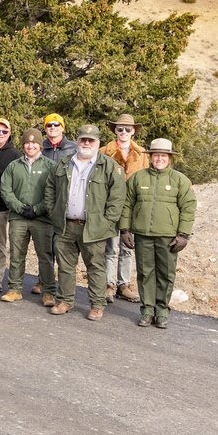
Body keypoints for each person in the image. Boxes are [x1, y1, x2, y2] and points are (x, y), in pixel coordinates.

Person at [44, 124, 126, 320]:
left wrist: (106, 223)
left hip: (93, 228)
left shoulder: (110, 167)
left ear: (98, 143)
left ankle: (97, 305)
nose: (86, 143)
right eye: (83, 140)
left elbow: (117, 199)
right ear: (77, 141)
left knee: (95, 267)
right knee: (65, 266)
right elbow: (50, 189)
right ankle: (65, 300)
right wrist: (52, 211)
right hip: (65, 226)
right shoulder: (64, 163)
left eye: (91, 140)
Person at [120, 138, 196, 329]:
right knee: (145, 274)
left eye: (163, 155)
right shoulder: (138, 178)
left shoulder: (180, 180)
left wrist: (184, 235)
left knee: (165, 274)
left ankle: (162, 311)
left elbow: (188, 208)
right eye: (156, 155)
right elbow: (127, 204)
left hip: (168, 237)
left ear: (169, 158)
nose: (159, 158)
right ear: (151, 157)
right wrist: (125, 229)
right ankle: (147, 310)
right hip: (143, 234)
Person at [0, 129, 56, 305]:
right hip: (19, 217)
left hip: (42, 219)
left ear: (40, 145)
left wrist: (38, 209)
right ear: (23, 145)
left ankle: (49, 292)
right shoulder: (14, 166)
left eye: (34, 143)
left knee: (45, 255)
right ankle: (15, 289)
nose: (31, 146)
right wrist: (20, 207)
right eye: (27, 143)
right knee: (16, 254)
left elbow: (53, 193)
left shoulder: (50, 166)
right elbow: (5, 190)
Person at [101, 114, 149, 303]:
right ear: (115, 130)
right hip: (111, 204)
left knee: (128, 246)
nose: (123, 132)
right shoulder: (105, 151)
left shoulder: (142, 154)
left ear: (133, 132)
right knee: (111, 247)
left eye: (127, 129)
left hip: (132, 206)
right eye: (120, 129)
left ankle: (124, 285)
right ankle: (109, 285)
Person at [0, 118, 21, 292]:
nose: (0, 134)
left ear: (9, 134)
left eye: (4, 132)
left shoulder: (14, 155)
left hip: (0, 206)